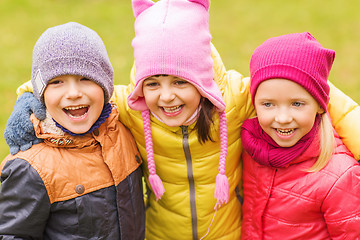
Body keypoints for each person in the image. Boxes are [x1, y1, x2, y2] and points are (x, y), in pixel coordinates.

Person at [3, 0, 360, 239]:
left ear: (203, 81)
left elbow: (306, 88)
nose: (167, 96)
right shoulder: (132, 106)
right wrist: (29, 101)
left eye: (180, 82)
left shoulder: (236, 98)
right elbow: (76, 87)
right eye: (154, 83)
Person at [0, 22, 145, 239]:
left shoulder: (124, 129)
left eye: (85, 79)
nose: (74, 93)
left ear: (106, 87)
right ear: (41, 93)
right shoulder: (30, 168)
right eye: (57, 82)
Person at [240, 32, 360, 239]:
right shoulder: (250, 148)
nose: (283, 118)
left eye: (297, 104)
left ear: (320, 107)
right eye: (268, 104)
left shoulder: (340, 175)